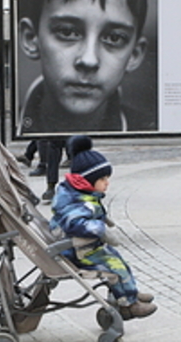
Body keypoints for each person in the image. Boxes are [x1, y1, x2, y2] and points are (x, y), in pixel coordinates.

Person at [17, 0, 151, 135]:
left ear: (135, 54)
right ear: (30, 39)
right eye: (67, 32)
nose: (89, 60)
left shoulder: (155, 139)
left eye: (114, 38)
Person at [50, 135, 157, 320]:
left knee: (119, 261)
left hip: (85, 246)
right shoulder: (77, 202)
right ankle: (129, 305)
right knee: (116, 268)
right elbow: (76, 223)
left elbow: (91, 211)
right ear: (87, 181)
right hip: (77, 251)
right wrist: (101, 229)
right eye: (102, 178)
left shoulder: (78, 194)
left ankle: (130, 292)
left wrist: (104, 220)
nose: (107, 182)